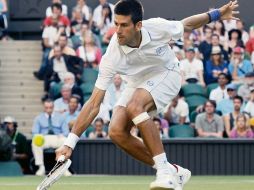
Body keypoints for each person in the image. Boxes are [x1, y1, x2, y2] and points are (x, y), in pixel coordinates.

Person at [56, 1, 239, 189]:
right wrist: (69, 143)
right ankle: (173, 170)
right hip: (137, 82)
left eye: (124, 25)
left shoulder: (157, 27)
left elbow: (188, 24)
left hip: (168, 73)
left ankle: (164, 174)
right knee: (116, 131)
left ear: (138, 25)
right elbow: (94, 103)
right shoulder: (111, 55)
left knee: (135, 106)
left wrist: (217, 14)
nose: (118, 30)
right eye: (116, 24)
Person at [32, 99, 70, 176]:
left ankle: (64, 167)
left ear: (53, 107)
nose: (48, 109)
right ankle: (41, 167)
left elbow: (66, 132)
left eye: (50, 107)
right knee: (34, 142)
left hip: (57, 137)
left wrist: (62, 134)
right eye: (46, 107)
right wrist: (39, 136)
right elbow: (34, 133)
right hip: (44, 138)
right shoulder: (38, 118)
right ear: (44, 107)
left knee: (65, 141)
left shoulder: (61, 117)